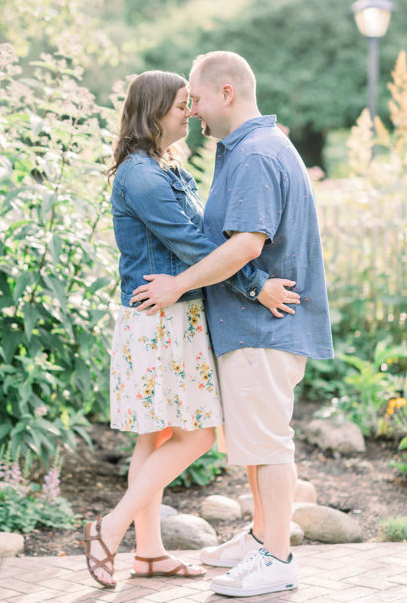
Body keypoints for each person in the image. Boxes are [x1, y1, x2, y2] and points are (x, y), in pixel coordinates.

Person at [82, 70, 299, 589]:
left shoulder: (161, 165)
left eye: (192, 102)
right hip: (164, 317)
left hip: (166, 314)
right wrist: (256, 284)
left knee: (156, 435)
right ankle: (110, 528)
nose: (191, 112)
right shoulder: (143, 175)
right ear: (154, 111)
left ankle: (150, 553)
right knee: (199, 435)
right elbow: (191, 243)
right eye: (182, 104)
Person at [130, 51, 334, 597]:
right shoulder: (245, 149)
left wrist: (177, 285)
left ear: (226, 93)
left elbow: (245, 245)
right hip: (249, 327)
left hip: (262, 328)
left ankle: (278, 559)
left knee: (268, 444)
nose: (191, 111)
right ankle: (260, 539)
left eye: (194, 98)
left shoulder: (255, 155)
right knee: (252, 443)